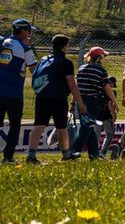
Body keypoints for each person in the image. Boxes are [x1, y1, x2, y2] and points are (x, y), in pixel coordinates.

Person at [26, 34, 87, 163]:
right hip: (58, 98)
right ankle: (66, 154)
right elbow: (72, 85)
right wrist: (80, 102)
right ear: (65, 47)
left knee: (38, 125)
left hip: (42, 97)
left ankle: (31, 155)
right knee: (61, 127)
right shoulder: (66, 63)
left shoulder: (44, 59)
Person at [0, 19, 35, 164]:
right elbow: (34, 70)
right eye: (28, 30)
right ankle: (8, 157)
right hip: (13, 92)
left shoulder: (3, 42)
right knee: (15, 126)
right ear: (23, 31)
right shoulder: (25, 49)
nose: (30, 34)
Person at [72, 46, 116, 159]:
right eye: (103, 57)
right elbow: (106, 87)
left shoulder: (81, 68)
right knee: (86, 128)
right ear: (99, 58)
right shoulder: (101, 70)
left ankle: (94, 154)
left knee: (89, 126)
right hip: (93, 102)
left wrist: (73, 102)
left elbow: (77, 87)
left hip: (81, 101)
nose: (104, 59)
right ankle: (73, 151)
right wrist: (114, 101)